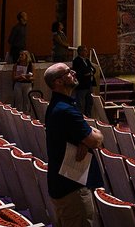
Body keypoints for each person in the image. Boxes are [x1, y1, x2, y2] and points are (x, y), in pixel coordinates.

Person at [43, 62, 104, 227]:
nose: (74, 73)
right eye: (68, 72)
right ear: (58, 82)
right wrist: (91, 136)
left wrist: (82, 140)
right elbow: (95, 140)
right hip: (72, 187)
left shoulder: (59, 106)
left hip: (64, 181)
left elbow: (80, 137)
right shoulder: (65, 110)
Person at [72, 45, 97, 116]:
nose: (86, 53)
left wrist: (89, 72)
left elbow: (93, 69)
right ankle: (80, 116)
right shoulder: (77, 61)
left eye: (86, 51)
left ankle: (88, 114)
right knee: (80, 102)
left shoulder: (87, 60)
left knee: (89, 101)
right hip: (82, 85)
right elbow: (80, 71)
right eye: (85, 51)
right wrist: (87, 72)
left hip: (89, 84)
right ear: (80, 52)